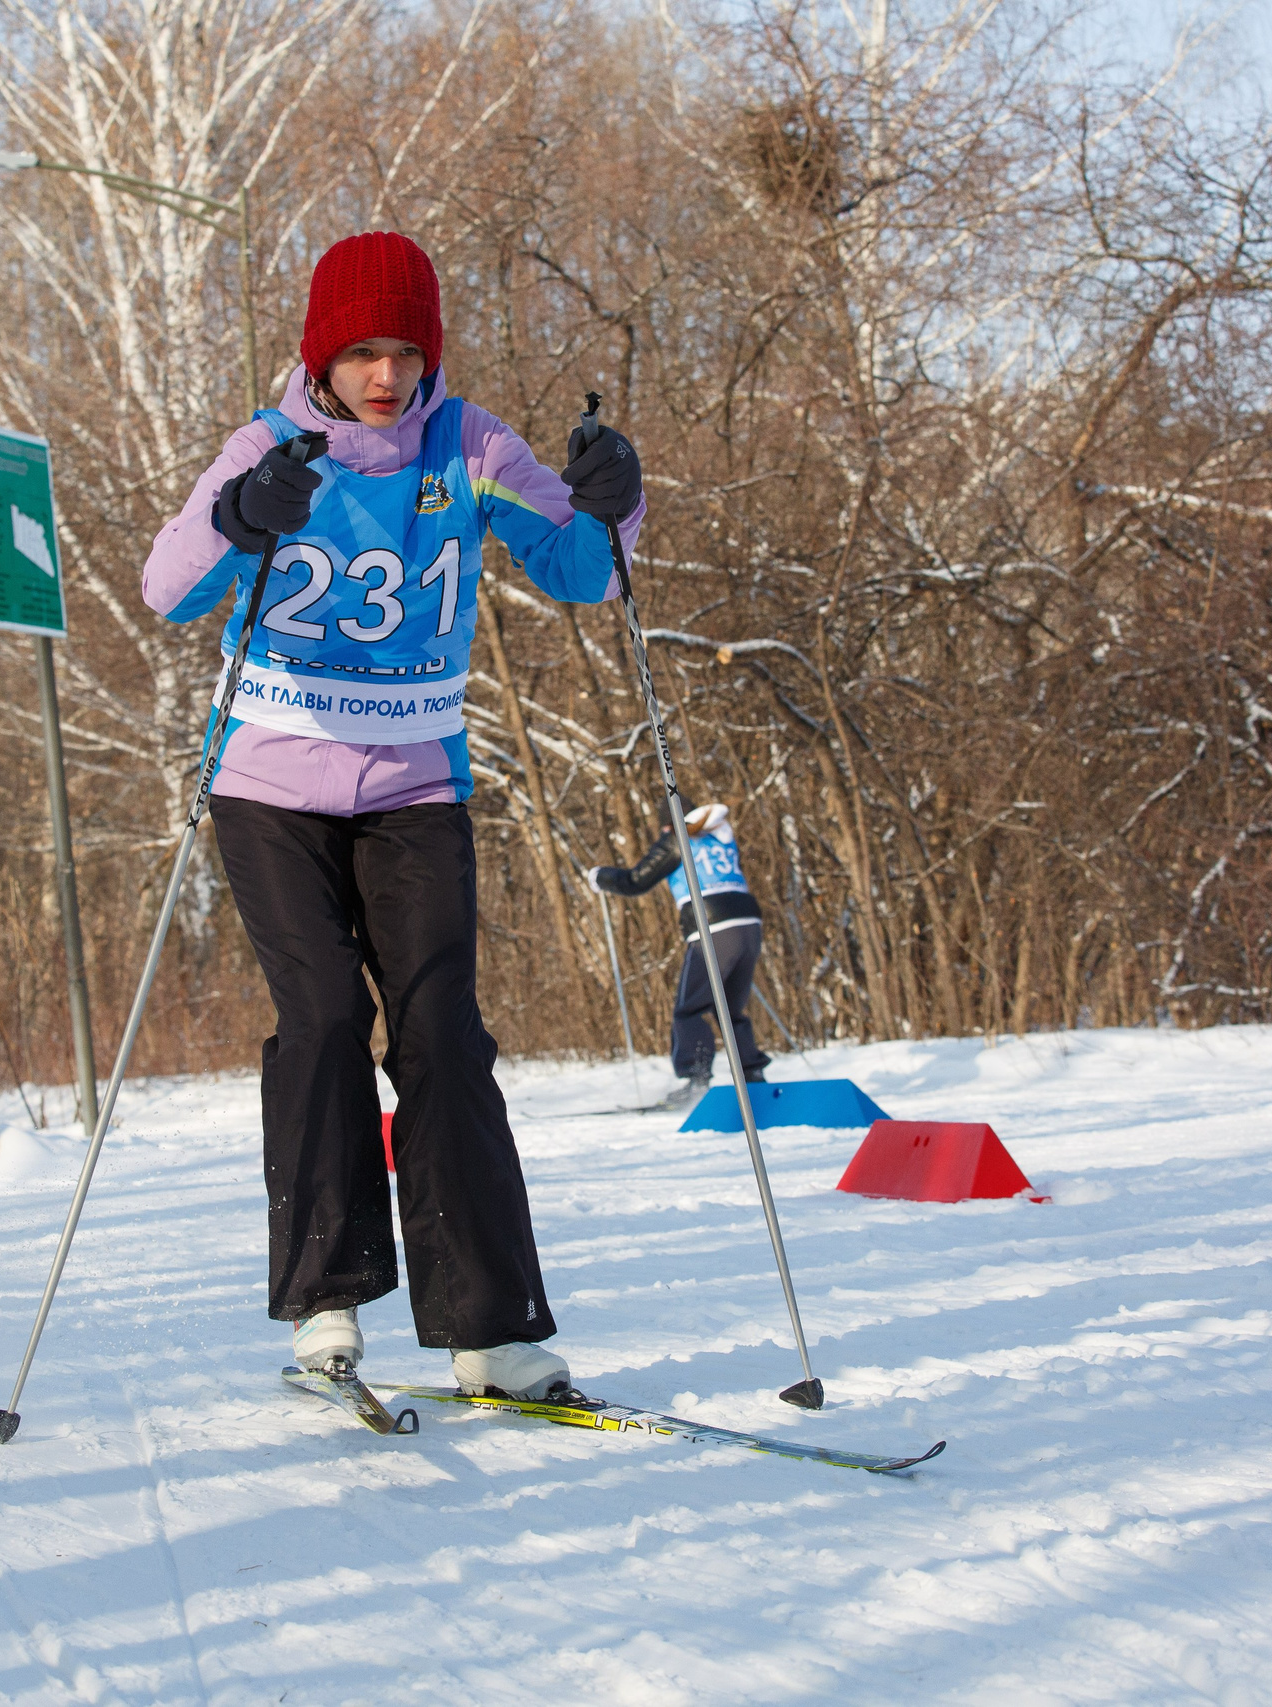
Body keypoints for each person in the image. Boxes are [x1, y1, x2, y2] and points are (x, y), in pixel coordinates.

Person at [140, 229, 645, 1401]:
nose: (383, 375)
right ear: (322, 353)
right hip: (270, 787)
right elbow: (170, 589)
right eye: (360, 351)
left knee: (443, 1037)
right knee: (319, 1021)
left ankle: (491, 1327)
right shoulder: (272, 446)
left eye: (403, 351)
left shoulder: (467, 444)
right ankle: (327, 1302)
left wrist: (614, 506)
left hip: (414, 789)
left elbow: (585, 573)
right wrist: (241, 518)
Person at [591, 801, 771, 1110]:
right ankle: (753, 1076)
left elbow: (636, 881)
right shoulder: (721, 837)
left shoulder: (677, 839)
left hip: (712, 926)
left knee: (689, 1008)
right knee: (730, 1008)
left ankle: (695, 1081)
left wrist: (601, 877)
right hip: (749, 923)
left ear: (669, 823)